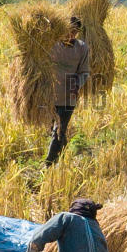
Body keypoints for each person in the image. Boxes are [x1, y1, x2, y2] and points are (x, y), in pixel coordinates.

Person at [46, 17, 91, 167]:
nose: (71, 35)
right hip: (50, 95)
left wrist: (77, 83)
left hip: (68, 96)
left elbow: (84, 71)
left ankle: (47, 166)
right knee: (53, 130)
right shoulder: (51, 44)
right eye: (69, 31)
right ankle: (64, 158)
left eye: (74, 32)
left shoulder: (82, 48)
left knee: (58, 131)